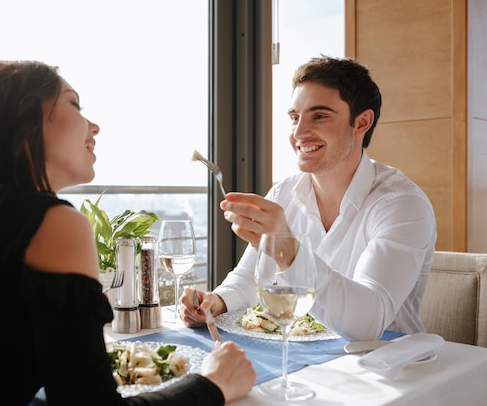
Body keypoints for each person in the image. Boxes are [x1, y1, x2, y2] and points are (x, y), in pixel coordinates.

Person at [0, 60, 255, 405]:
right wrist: (213, 383)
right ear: (23, 118)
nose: (94, 125)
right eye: (74, 104)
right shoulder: (52, 222)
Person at [180, 56, 437, 342]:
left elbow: (368, 324)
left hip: (387, 369)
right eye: (294, 118)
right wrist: (217, 301)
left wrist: (288, 253)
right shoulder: (283, 194)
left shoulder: (401, 204)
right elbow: (250, 278)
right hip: (303, 359)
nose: (298, 133)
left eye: (319, 116)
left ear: (362, 122)